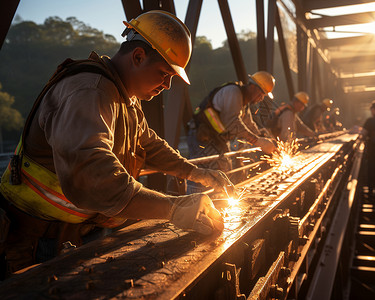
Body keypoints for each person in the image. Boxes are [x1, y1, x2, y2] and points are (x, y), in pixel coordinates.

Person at [0, 11, 236, 277]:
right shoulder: (89, 91)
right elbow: (95, 175)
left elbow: (149, 144)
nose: (167, 85)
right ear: (138, 57)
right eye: (164, 73)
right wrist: (173, 208)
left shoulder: (124, 98)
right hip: (38, 240)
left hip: (73, 231)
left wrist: (195, 173)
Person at [187, 72, 277, 191]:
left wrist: (261, 135)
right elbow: (232, 122)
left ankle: (215, 204)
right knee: (205, 176)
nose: (261, 98)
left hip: (216, 139)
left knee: (224, 171)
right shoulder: (233, 92)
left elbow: (248, 123)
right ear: (253, 87)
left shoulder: (243, 102)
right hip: (202, 137)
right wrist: (257, 141)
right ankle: (193, 206)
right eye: (261, 94)